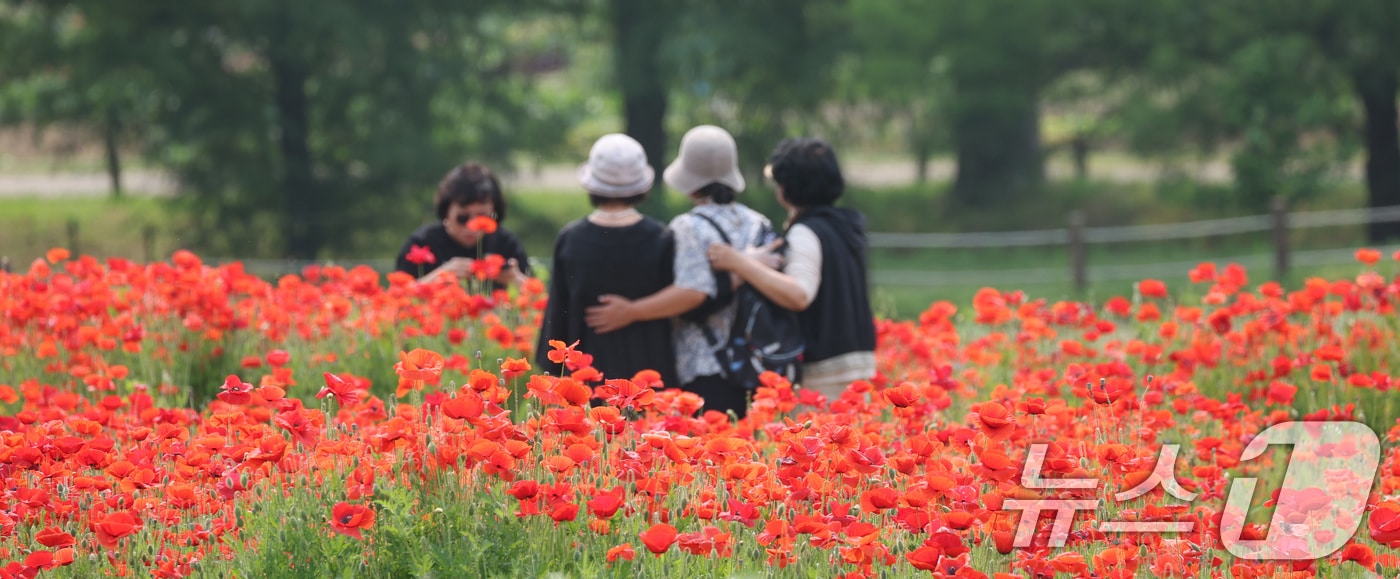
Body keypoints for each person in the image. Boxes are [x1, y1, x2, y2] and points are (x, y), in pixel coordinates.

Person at [585, 125, 776, 419]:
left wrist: (633, 311)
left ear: (689, 177)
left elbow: (692, 291)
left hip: (705, 364)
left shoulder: (688, 226)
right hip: (757, 361)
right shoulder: (758, 222)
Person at [706, 137, 876, 403]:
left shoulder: (806, 232)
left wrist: (738, 262)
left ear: (785, 188)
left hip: (823, 373)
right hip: (857, 361)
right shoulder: (846, 226)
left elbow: (799, 294)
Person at [535, 134, 681, 390]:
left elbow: (557, 316)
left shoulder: (571, 239)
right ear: (643, 186)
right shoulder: (662, 238)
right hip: (650, 375)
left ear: (591, 185)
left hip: (586, 379)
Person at [395, 162, 531, 288]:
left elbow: (544, 302)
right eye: (462, 218)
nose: (472, 227)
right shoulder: (421, 242)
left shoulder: (506, 243)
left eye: (482, 218)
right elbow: (397, 298)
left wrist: (516, 279)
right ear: (446, 213)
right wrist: (442, 276)